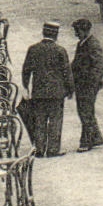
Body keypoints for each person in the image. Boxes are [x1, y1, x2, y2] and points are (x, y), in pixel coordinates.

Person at [21, 21, 74, 157]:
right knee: (55, 121)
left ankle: (39, 149)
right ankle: (53, 149)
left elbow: (26, 70)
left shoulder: (33, 49)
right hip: (57, 93)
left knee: (39, 120)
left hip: (38, 92)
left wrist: (26, 86)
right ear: (56, 35)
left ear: (43, 33)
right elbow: (67, 72)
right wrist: (70, 89)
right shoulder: (60, 50)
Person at [70, 18, 103, 153]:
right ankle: (96, 138)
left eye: (78, 31)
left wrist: (93, 81)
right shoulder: (82, 43)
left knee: (85, 112)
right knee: (86, 111)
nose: (76, 34)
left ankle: (86, 142)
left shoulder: (92, 44)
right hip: (82, 84)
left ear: (85, 31)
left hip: (87, 85)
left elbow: (102, 65)